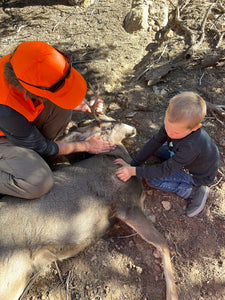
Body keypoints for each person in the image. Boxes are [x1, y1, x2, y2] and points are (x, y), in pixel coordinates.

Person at [0, 41, 115, 199]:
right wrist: (86, 145)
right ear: (29, 91)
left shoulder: (26, 61)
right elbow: (43, 146)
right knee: (40, 183)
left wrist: (74, 102)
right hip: (5, 132)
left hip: (14, 127)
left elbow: (51, 86)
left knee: (62, 109)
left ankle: (38, 158)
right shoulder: (6, 107)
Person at [114, 92, 220, 217]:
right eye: (167, 126)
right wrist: (133, 164)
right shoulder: (175, 127)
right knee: (156, 147)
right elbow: (155, 142)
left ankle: (192, 191)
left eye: (175, 132)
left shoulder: (191, 146)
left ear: (195, 128)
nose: (169, 133)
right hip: (184, 156)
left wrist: (134, 171)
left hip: (196, 174)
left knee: (152, 179)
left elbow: (166, 170)